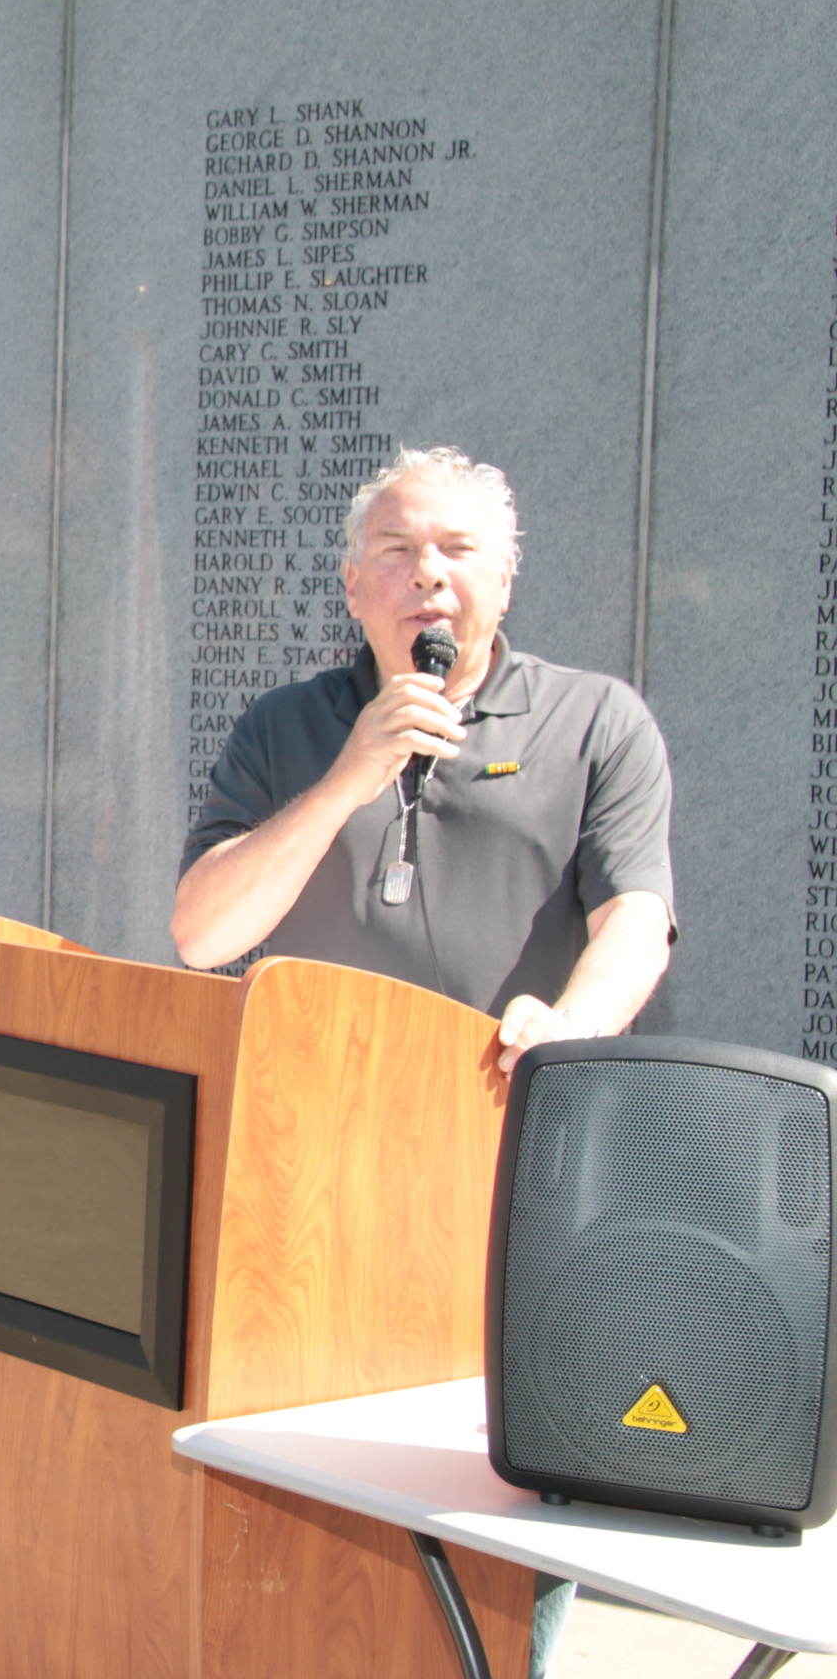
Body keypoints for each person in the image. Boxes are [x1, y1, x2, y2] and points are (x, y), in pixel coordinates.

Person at [172, 445, 678, 1676]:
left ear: (506, 577)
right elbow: (203, 932)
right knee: (300, 1499)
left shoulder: (596, 722)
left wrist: (574, 1024)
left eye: (457, 552)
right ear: (355, 586)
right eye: (396, 553)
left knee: (501, 1506)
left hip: (513, 1173)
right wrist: (351, 773)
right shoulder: (288, 728)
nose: (428, 578)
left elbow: (637, 918)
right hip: (310, 1194)